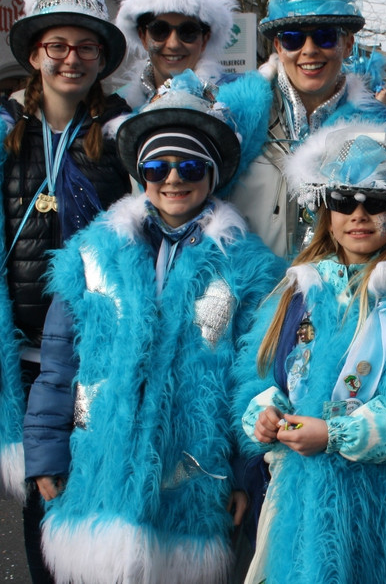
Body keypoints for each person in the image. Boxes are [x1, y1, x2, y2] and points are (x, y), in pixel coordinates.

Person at [20, 71, 282, 583]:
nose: (173, 179)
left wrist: (244, 473)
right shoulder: (93, 254)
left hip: (192, 471)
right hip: (99, 467)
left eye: (189, 166)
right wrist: (47, 452)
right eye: (158, 166)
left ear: (212, 174)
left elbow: (251, 378)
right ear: (141, 174)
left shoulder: (247, 266)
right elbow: (58, 365)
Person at [235, 125, 386, 583]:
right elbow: (265, 374)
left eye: (377, 201)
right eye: (344, 200)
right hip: (297, 508)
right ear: (326, 210)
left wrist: (337, 434)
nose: (358, 214)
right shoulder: (298, 291)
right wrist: (264, 413)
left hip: (377, 519)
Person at [0, 0, 131, 583]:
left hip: (96, 344)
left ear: (103, 59)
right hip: (23, 349)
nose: (71, 58)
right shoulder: (4, 129)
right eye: (58, 45)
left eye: (86, 47)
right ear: (34, 54)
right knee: (43, 487)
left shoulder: (125, 133)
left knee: (104, 485)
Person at [229, 0, 386, 258]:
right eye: (293, 38)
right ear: (278, 47)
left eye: (325, 37)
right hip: (252, 299)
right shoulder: (236, 119)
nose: (309, 51)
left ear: (348, 44)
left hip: (341, 300)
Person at [114, 0, 272, 196]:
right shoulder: (120, 108)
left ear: (205, 38)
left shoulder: (242, 106)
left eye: (188, 32)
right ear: (143, 36)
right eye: (160, 30)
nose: (173, 43)